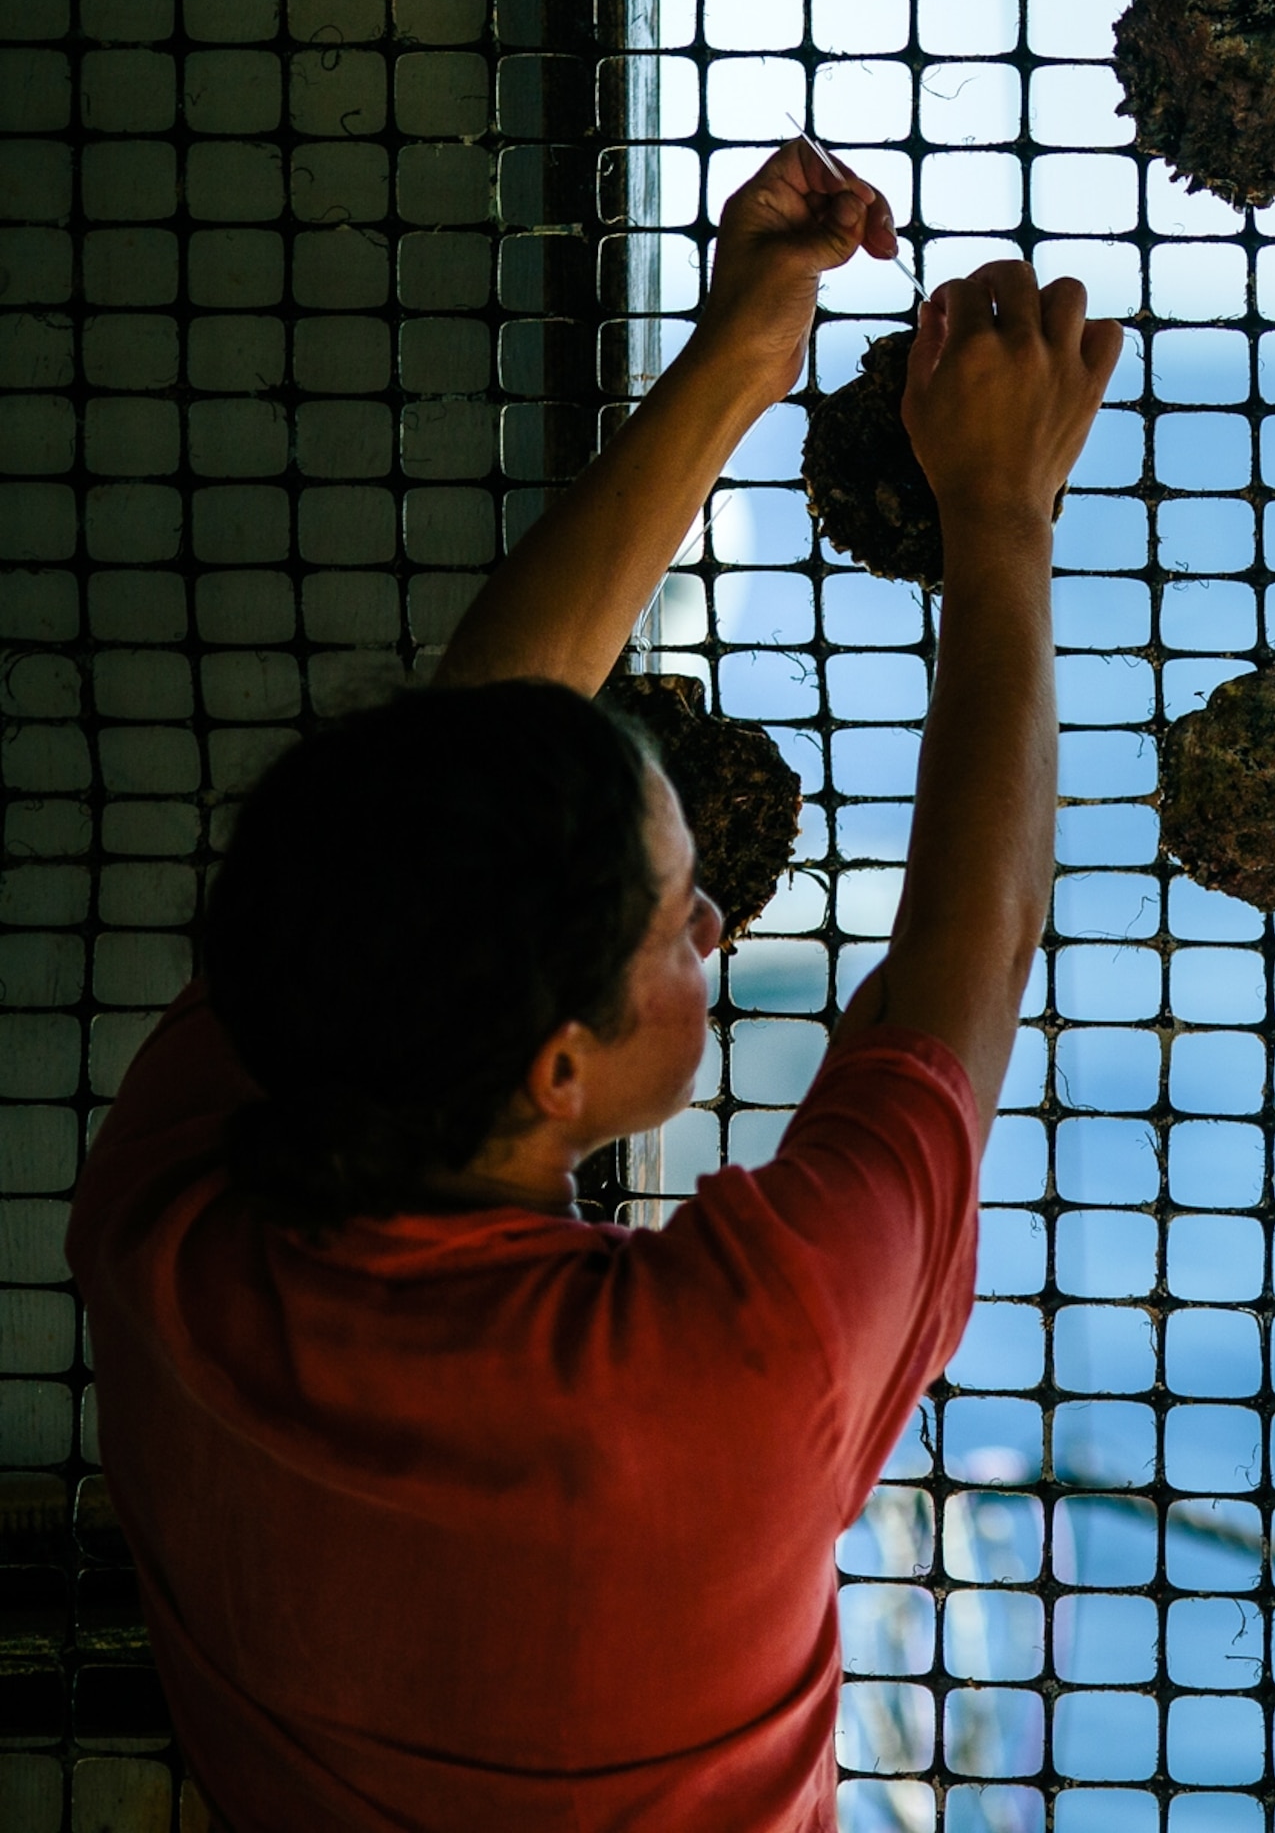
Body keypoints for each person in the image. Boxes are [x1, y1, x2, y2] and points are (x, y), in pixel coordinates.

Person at [64, 143, 1122, 1829]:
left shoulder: (177, 1227)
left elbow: (464, 765)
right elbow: (962, 980)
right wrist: (1000, 514)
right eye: (680, 911)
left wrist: (743, 350)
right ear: (558, 1073)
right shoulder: (714, 1370)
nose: (715, 929)